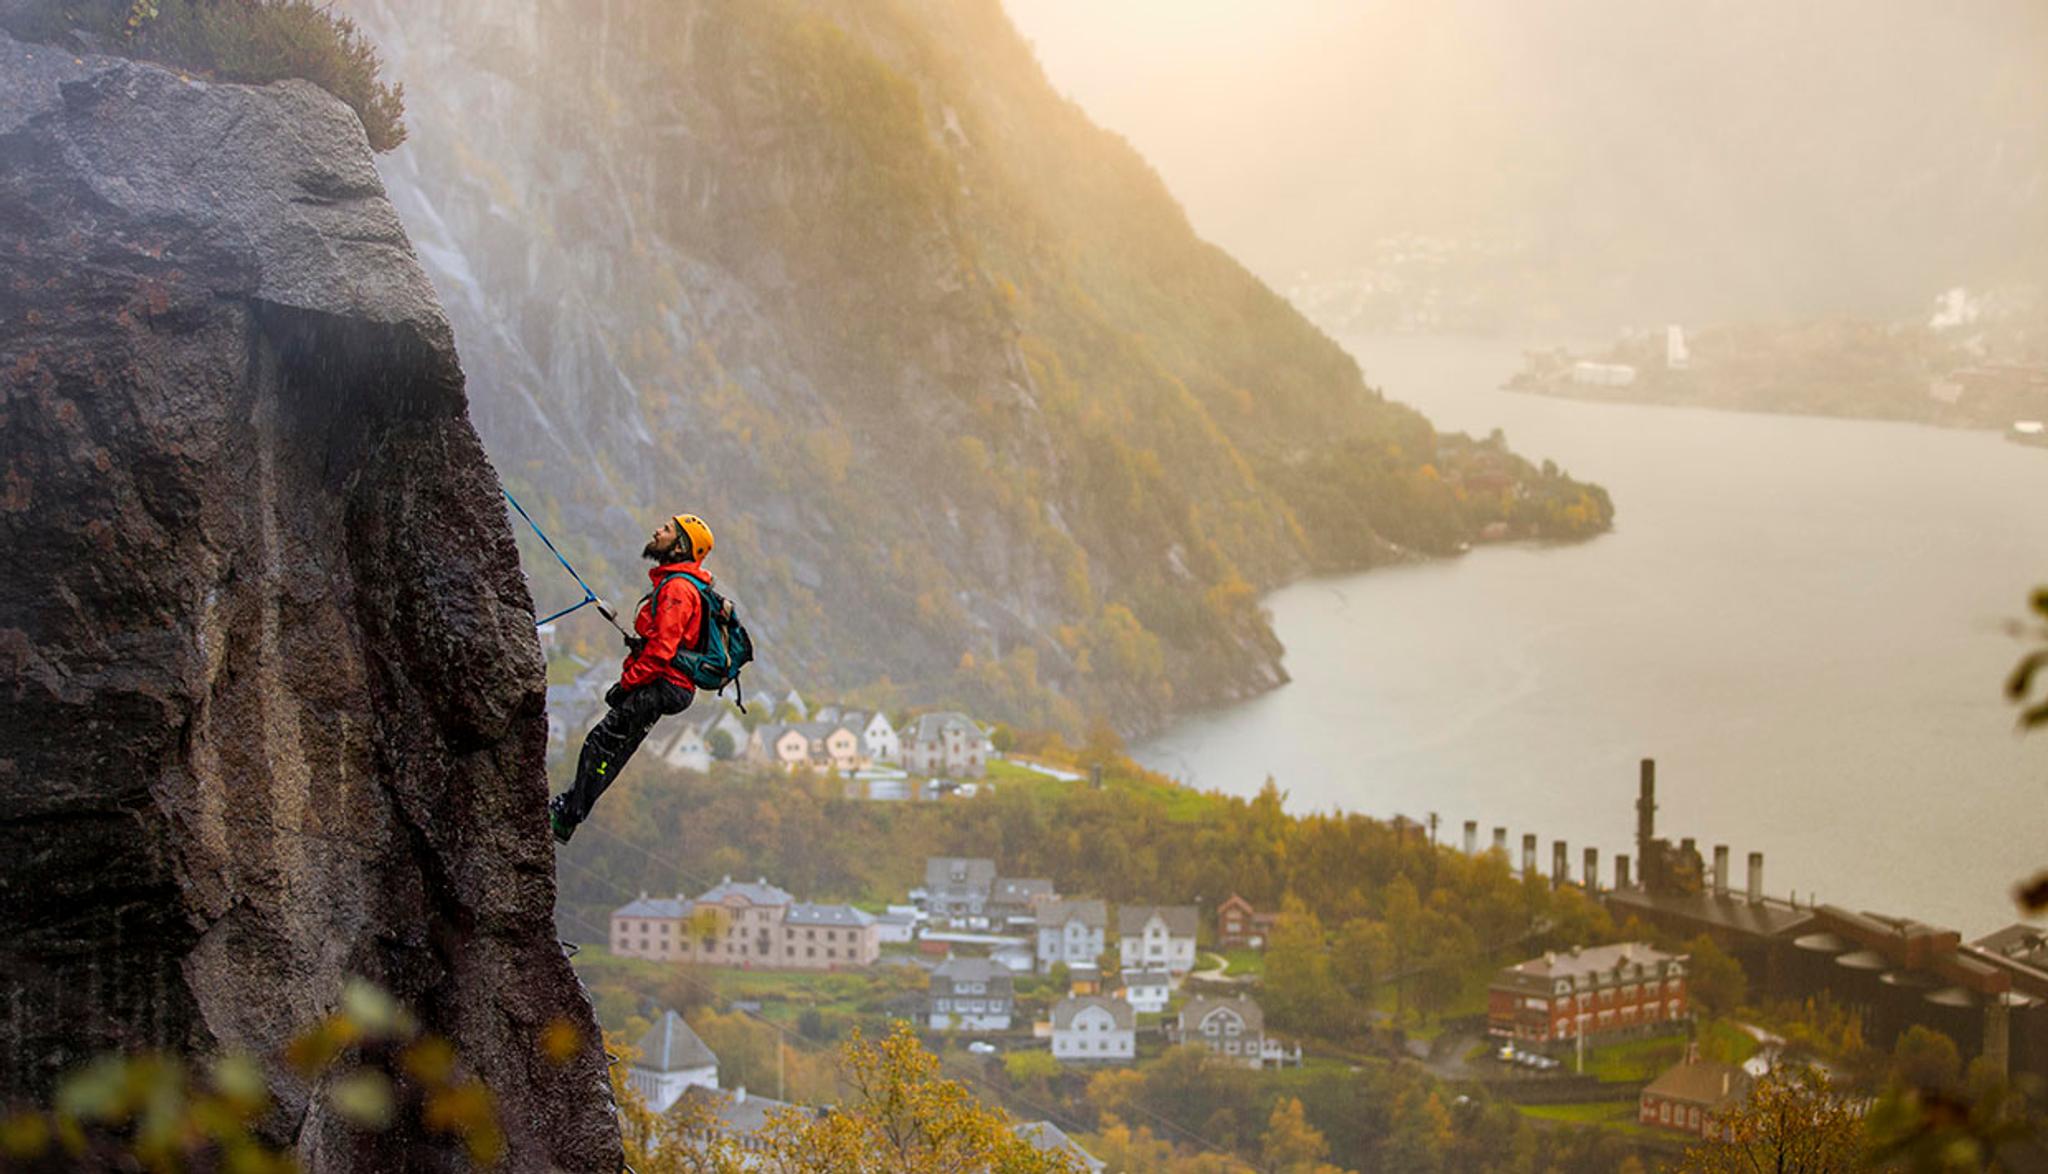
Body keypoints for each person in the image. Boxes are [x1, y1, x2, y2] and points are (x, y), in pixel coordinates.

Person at [549, 512, 716, 843]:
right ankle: (568, 814)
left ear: (681, 546)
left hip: (662, 684)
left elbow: (662, 652)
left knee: (601, 745)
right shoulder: (680, 585)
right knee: (612, 750)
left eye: (668, 529)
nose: (658, 530)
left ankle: (566, 815)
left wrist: (626, 684)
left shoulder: (678, 590)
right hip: (671, 686)